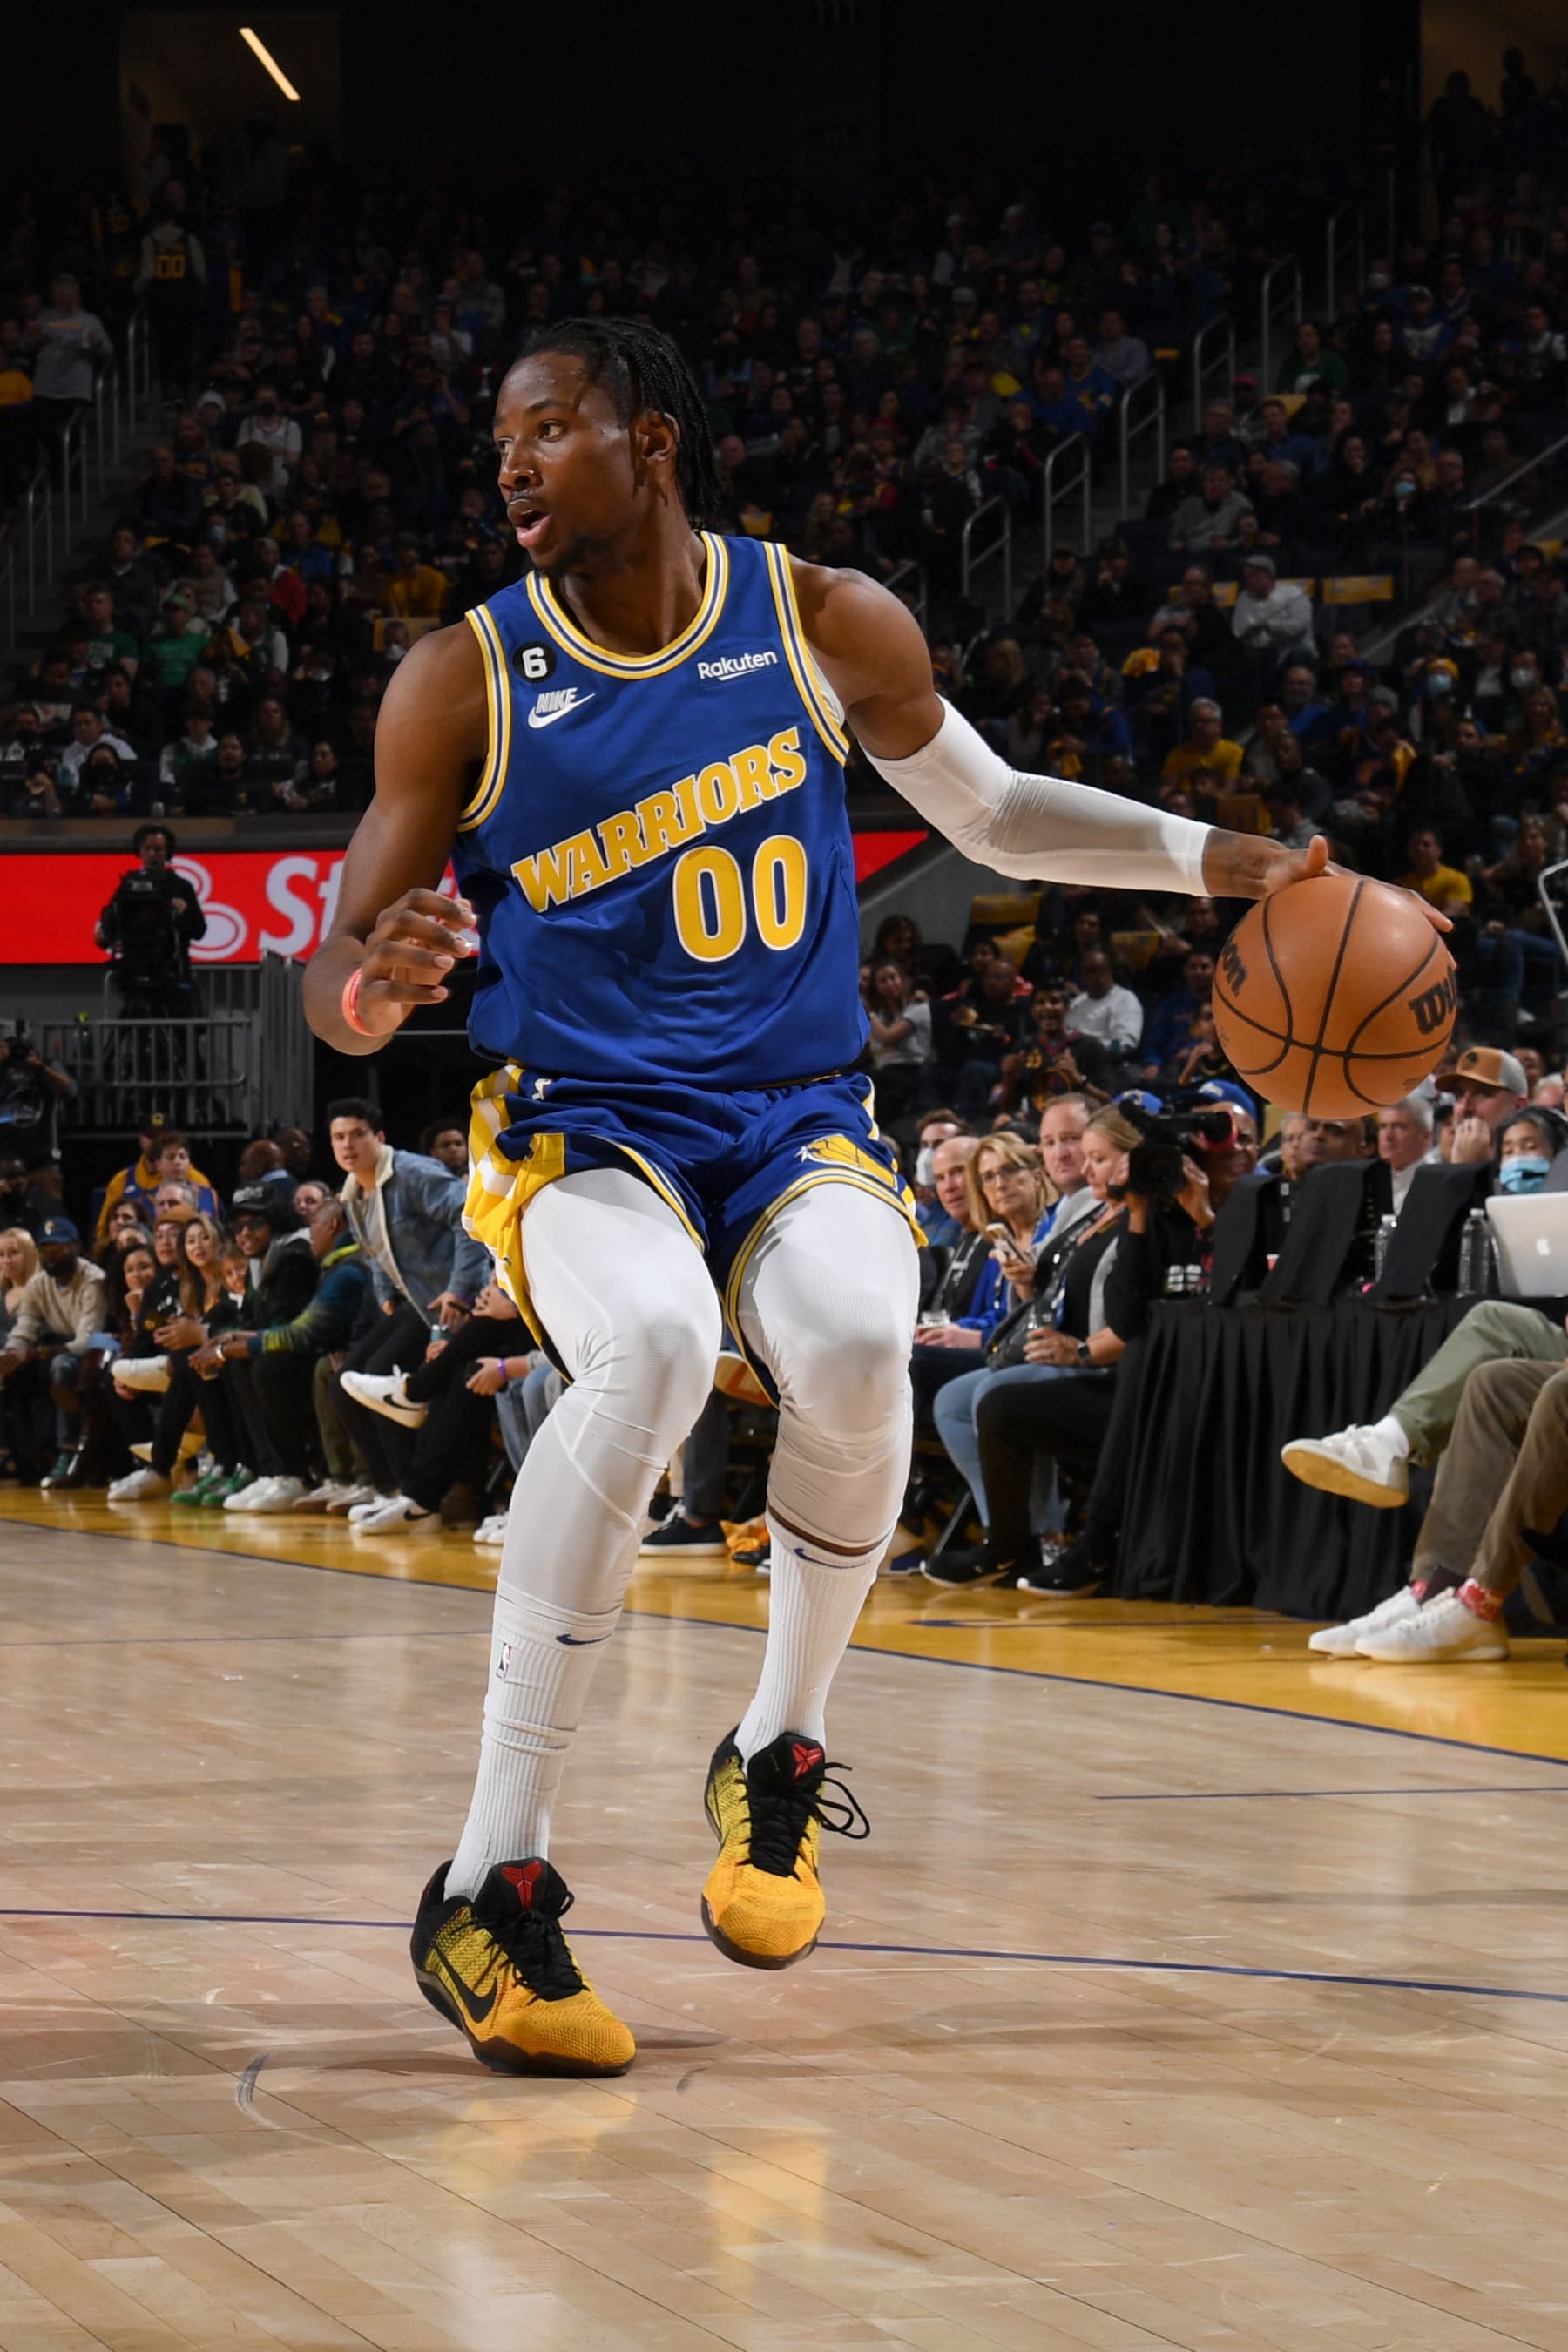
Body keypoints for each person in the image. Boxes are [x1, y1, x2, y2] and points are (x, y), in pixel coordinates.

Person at [301, 314, 1416, 2080]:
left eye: (550, 427)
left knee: (858, 1335)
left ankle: (777, 1753)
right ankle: (485, 1879)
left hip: (790, 1112)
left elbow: (990, 816)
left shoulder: (822, 617)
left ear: (650, 439)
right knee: (657, 1345)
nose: (510, 462)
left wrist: (1230, 862)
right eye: (499, 437)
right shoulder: (468, 675)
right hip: (581, 1123)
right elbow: (333, 970)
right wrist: (378, 983)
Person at [0, 1215, 110, 1489]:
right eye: (45, 1251)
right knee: (14, 1371)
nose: (51, 1258)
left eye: (58, 1250)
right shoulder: (39, 1283)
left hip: (102, 1346)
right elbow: (25, 1328)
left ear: (75, 1247)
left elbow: (87, 1339)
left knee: (61, 1365)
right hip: (59, 1347)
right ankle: (24, 1454)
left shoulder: (93, 1279)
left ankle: (68, 1449)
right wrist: (10, 1355)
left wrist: (35, 1353)